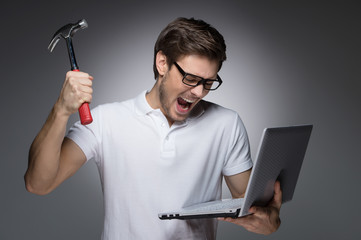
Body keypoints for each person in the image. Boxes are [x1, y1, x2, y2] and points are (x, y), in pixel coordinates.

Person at [25, 17, 282, 239]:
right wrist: (61, 110)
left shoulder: (226, 124)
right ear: (162, 63)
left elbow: (251, 209)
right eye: (190, 78)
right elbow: (38, 183)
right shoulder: (106, 121)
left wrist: (269, 221)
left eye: (208, 82)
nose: (197, 92)